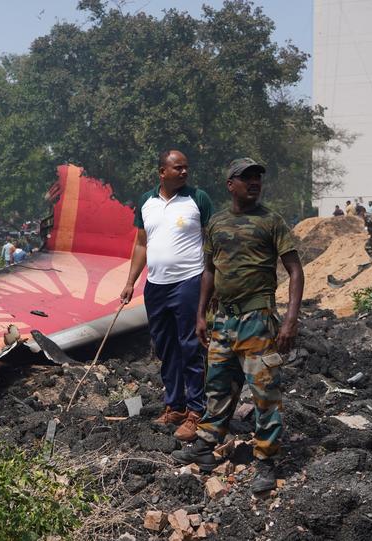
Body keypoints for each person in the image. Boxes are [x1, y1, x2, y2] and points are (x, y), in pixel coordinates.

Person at [171, 157, 304, 495]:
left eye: (258, 177)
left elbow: (295, 271)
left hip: (258, 320)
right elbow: (209, 272)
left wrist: (290, 320)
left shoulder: (271, 222)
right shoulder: (216, 223)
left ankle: (265, 461)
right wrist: (201, 315)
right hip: (223, 321)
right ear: (231, 185)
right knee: (217, 386)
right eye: (246, 178)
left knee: (264, 394)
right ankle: (205, 447)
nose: (254, 182)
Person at [120, 149, 214, 442]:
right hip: (156, 285)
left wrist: (214, 284)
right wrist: (130, 281)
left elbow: (212, 241)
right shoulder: (146, 202)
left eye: (186, 167)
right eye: (178, 168)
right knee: (165, 347)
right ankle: (175, 406)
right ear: (162, 172)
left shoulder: (198, 199)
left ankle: (196, 411)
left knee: (190, 345)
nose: (184, 172)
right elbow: (141, 245)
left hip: (188, 281)